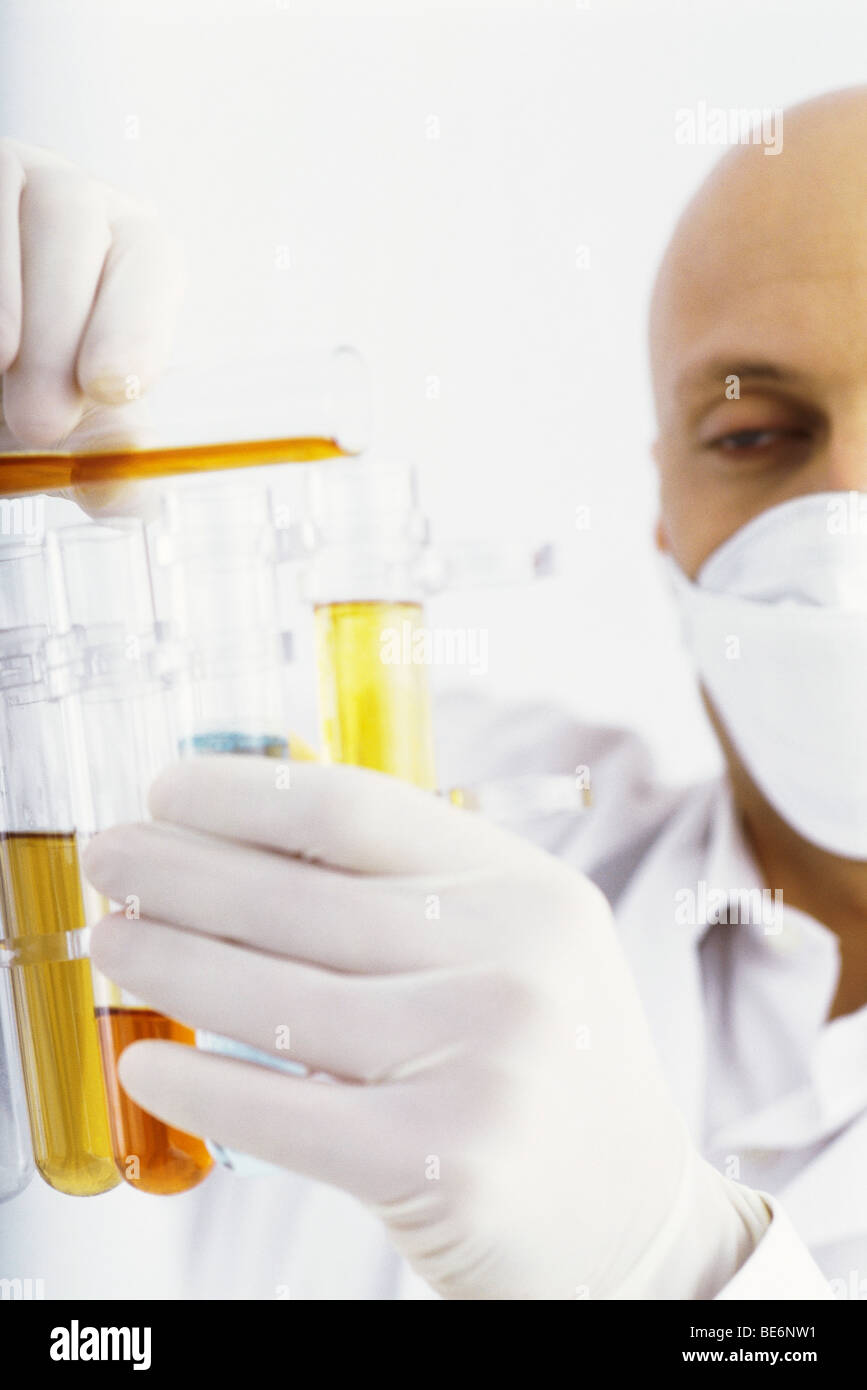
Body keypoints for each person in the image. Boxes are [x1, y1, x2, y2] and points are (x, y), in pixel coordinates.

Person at [1, 86, 864, 1299]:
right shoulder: (427, 824)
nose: (841, 522)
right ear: (663, 519)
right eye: (757, 432)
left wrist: (684, 1275)